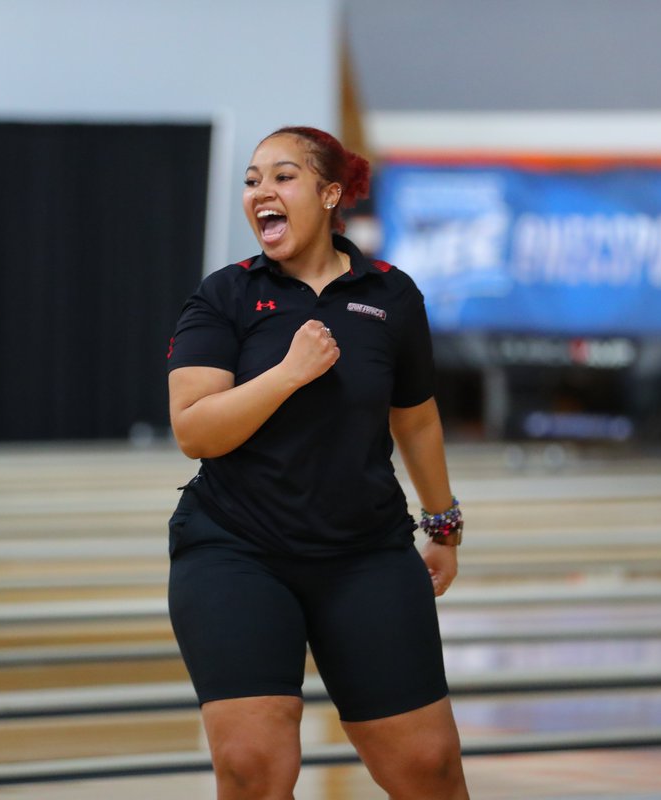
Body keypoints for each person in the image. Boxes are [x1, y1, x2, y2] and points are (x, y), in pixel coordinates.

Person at [166, 125, 469, 800]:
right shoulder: (225, 296)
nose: (261, 192)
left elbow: (415, 417)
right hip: (235, 550)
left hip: (365, 553)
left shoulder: (390, 295)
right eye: (252, 180)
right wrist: (288, 373)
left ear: (331, 194)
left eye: (282, 176)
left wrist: (442, 524)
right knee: (253, 769)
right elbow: (195, 431)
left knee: (430, 768)